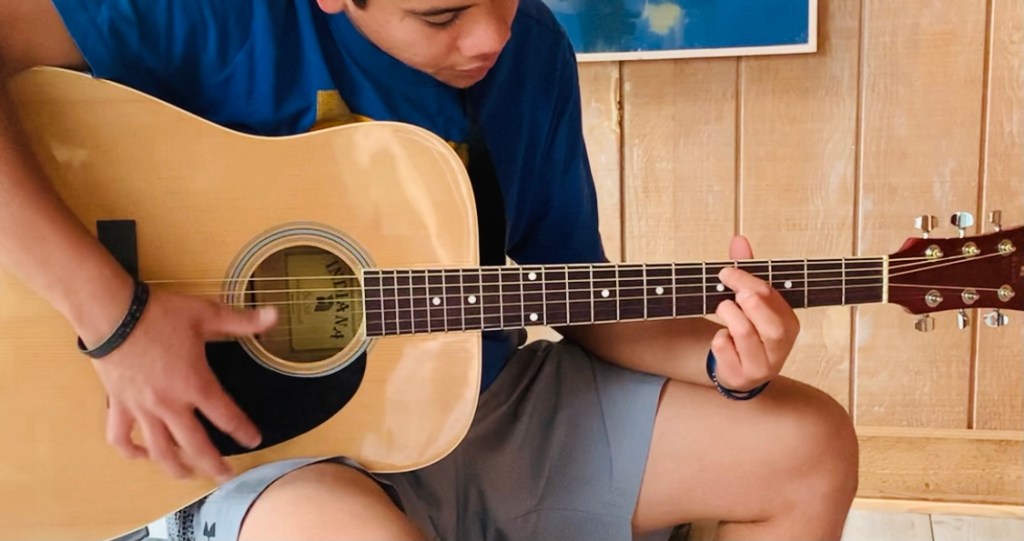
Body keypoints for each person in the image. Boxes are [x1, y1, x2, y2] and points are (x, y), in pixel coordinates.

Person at [0, 1, 859, 540]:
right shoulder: (212, 16)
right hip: (238, 454)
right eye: (440, 15)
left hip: (475, 408)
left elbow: (581, 292)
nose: (491, 34)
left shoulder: (530, 54)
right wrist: (116, 320)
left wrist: (722, 357)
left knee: (805, 446)